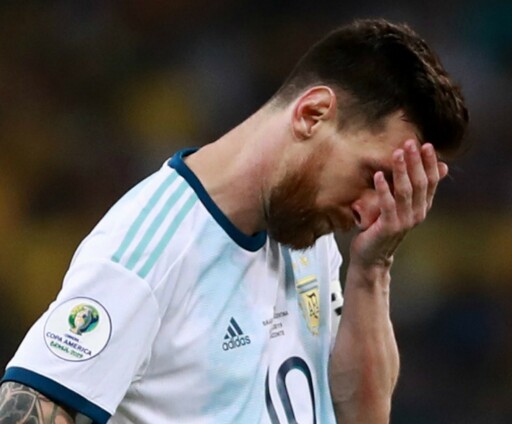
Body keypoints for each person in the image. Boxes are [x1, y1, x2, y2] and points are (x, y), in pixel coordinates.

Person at [0, 18, 468, 423]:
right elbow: (27, 404)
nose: (370, 211)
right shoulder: (148, 248)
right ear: (312, 114)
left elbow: (362, 416)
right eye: (371, 176)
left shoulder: (306, 232)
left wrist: (372, 269)